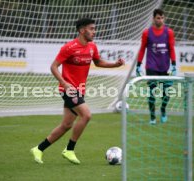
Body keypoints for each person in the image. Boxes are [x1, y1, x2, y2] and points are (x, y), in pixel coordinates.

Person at [30, 18, 124, 164]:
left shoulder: (92, 47)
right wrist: (64, 82)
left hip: (80, 90)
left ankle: (39, 149)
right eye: (91, 28)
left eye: (94, 28)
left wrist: (115, 65)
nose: (94, 31)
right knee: (86, 115)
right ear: (82, 30)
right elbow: (54, 67)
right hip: (68, 89)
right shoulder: (69, 47)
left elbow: (98, 62)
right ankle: (69, 149)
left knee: (66, 125)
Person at [136, 9, 176, 125]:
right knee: (152, 93)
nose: (160, 20)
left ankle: (163, 110)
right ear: (154, 18)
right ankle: (152, 117)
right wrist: (138, 65)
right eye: (158, 18)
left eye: (162, 18)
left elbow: (172, 49)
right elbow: (142, 49)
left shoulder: (169, 32)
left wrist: (174, 65)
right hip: (151, 67)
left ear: (164, 18)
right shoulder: (146, 33)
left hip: (165, 67)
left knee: (166, 93)